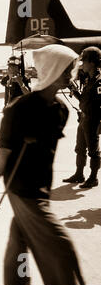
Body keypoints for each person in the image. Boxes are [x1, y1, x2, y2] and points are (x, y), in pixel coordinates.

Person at [0, 44, 85, 285]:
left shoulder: (60, 110)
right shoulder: (19, 109)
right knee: (61, 247)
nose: (73, 72)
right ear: (53, 69)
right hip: (22, 188)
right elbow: (3, 155)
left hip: (41, 186)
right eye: (67, 68)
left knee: (21, 238)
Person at [63, 46, 101, 188]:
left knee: (93, 150)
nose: (82, 64)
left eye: (84, 61)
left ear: (92, 62)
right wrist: (72, 88)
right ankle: (79, 174)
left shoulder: (99, 81)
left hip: (93, 120)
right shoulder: (88, 79)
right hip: (84, 119)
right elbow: (84, 100)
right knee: (79, 148)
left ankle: (93, 177)